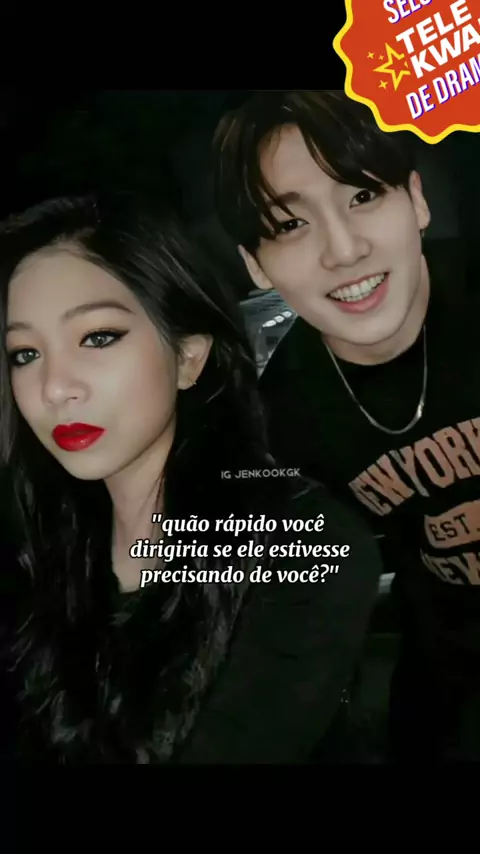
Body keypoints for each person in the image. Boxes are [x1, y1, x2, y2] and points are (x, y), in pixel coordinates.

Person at [0, 190, 381, 764]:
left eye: (98, 337)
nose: (54, 388)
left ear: (188, 357)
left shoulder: (302, 544)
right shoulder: (37, 549)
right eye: (24, 354)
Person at [212, 90, 480, 763]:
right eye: (289, 224)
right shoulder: (278, 425)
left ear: (416, 201)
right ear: (256, 265)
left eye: (362, 195)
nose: (343, 249)